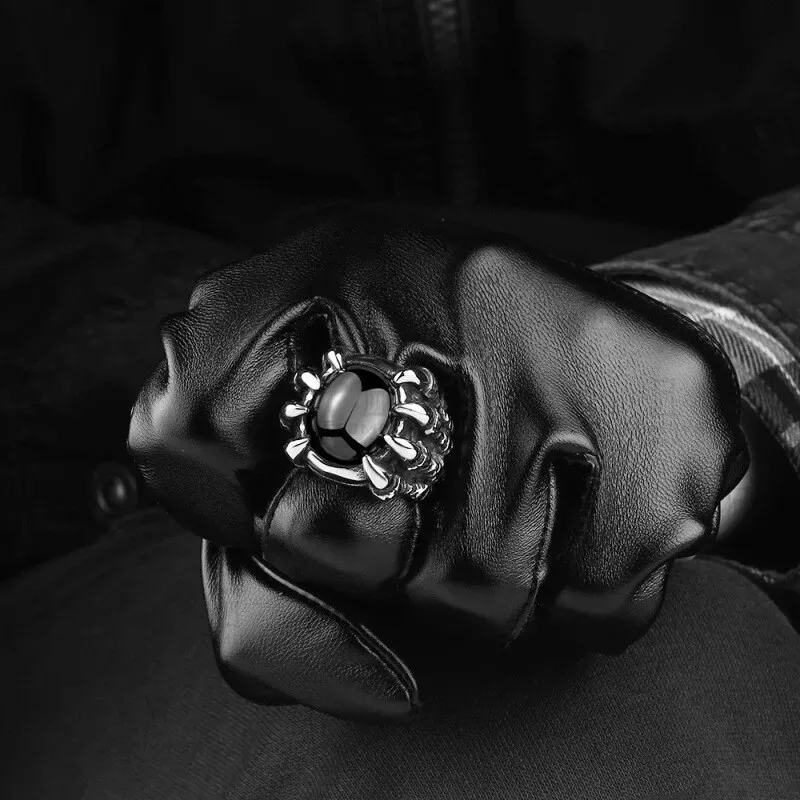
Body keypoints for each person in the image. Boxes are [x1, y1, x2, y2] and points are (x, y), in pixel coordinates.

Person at [2, 2, 800, 798]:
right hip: (94, 529)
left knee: (656, 676)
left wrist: (719, 356)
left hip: (721, 410)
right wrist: (207, 378)